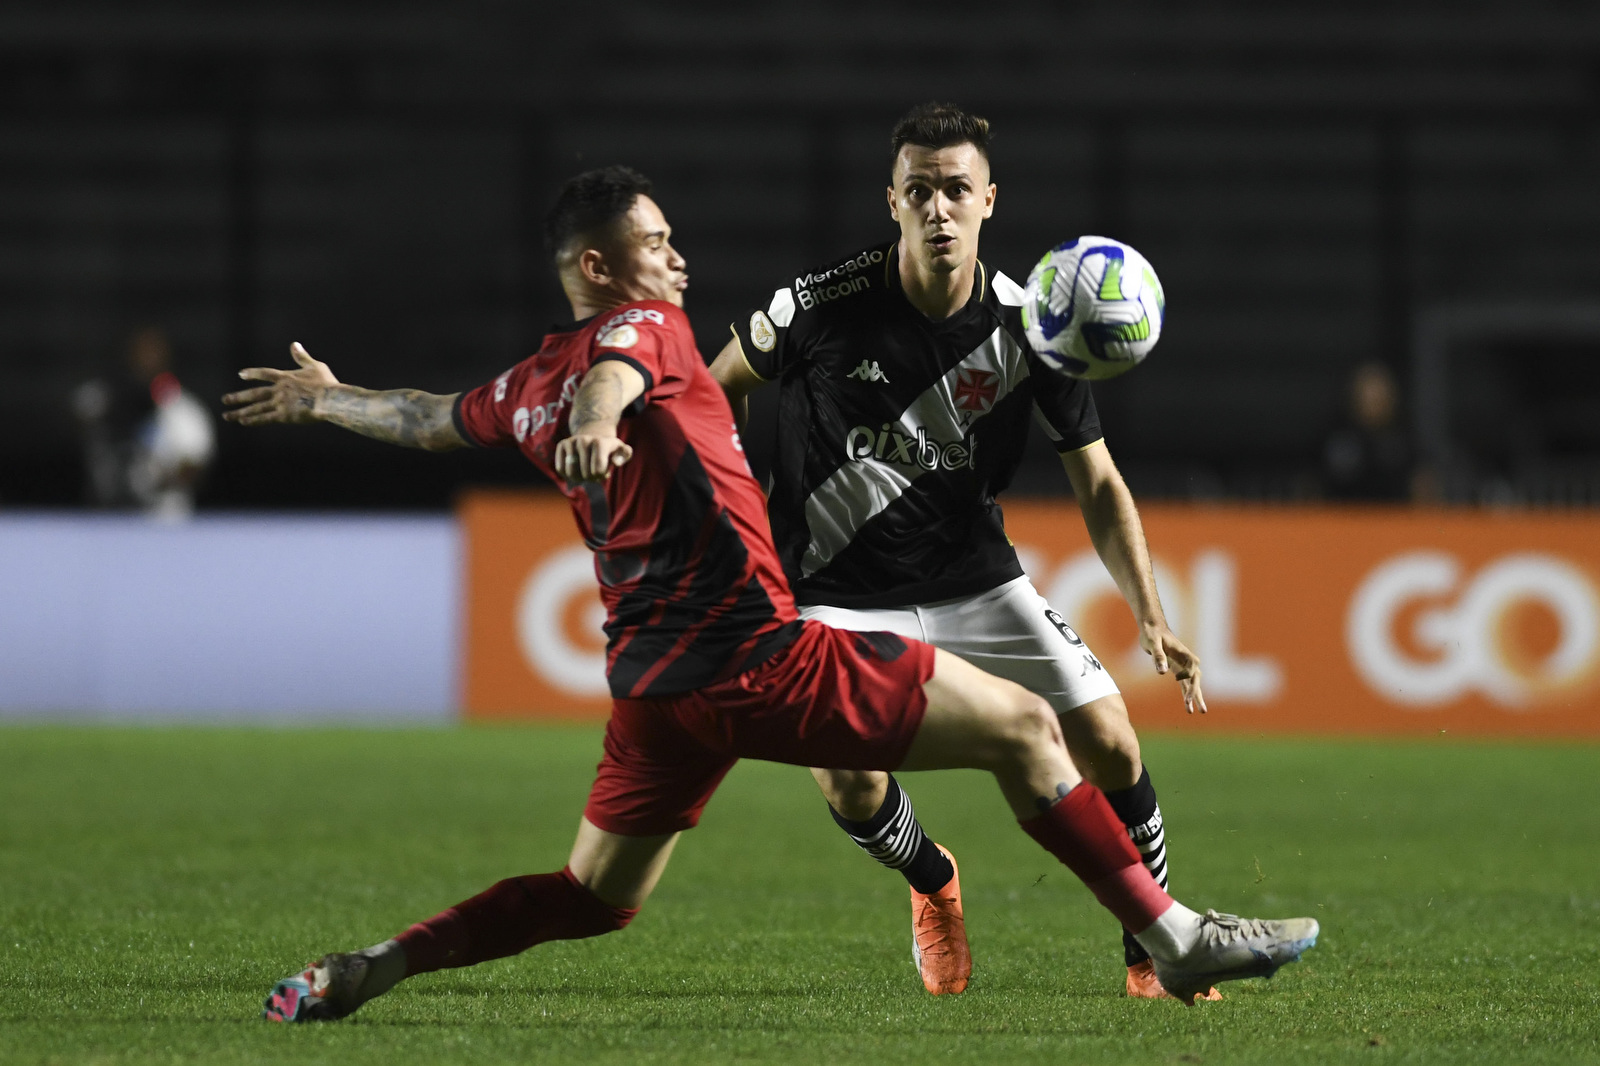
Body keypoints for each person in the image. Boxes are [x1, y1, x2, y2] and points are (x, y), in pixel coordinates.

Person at [225, 165, 1317, 1023]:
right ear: (601, 267)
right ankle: (1174, 942)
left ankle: (378, 963)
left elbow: (425, 415)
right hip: (757, 654)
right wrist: (606, 418)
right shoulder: (638, 331)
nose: (678, 261)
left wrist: (329, 401)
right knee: (1030, 734)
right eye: (656, 245)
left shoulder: (523, 387)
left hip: (651, 692)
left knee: (594, 895)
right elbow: (621, 370)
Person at [709, 103, 1210, 999]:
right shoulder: (820, 305)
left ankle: (1153, 948)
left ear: (989, 202)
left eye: (955, 190)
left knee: (1111, 741)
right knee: (849, 782)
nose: (937, 209)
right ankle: (933, 882)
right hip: (836, 587)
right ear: (891, 203)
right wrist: (731, 507)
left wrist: (1151, 614)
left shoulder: (1035, 327)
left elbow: (1097, 482)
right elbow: (717, 387)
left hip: (975, 578)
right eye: (919, 192)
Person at [73, 326, 215, 520]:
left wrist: (152, 479)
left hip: (162, 519)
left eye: (153, 355)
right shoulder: (103, 399)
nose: (146, 361)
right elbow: (73, 415)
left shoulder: (182, 409)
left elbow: (194, 464)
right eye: (140, 354)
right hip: (105, 518)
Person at [1321, 360, 1414, 501]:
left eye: (1380, 394)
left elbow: (1422, 486)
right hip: (1341, 519)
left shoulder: (1405, 439)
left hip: (1395, 520)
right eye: (1368, 393)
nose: (1374, 400)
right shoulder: (1337, 437)